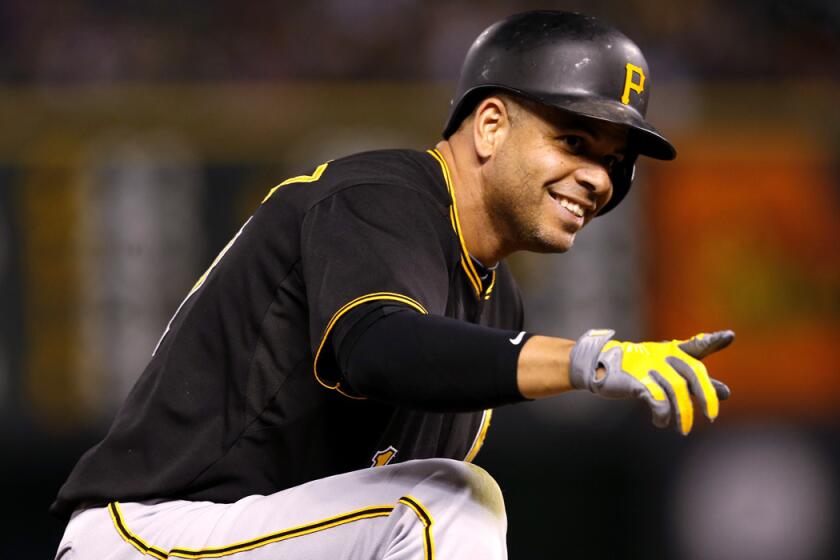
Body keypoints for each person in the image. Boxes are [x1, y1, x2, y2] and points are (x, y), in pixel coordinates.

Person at [52, 10, 734, 559]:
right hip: (154, 533)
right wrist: (589, 360)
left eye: (614, 163)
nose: (599, 179)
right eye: (575, 142)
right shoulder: (384, 194)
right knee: (443, 502)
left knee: (437, 504)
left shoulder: (497, 306)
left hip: (257, 541)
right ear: (490, 125)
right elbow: (377, 347)